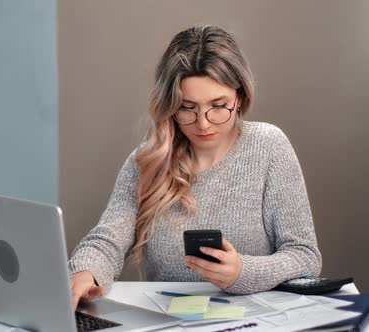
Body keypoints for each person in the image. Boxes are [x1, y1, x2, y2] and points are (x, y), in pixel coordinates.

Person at [68, 25, 322, 309]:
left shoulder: (269, 146)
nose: (203, 122)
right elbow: (108, 240)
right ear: (169, 105)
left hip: (254, 320)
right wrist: (85, 272)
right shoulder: (148, 160)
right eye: (187, 107)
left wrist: (242, 272)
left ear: (239, 97)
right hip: (169, 321)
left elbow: (304, 256)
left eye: (218, 105)